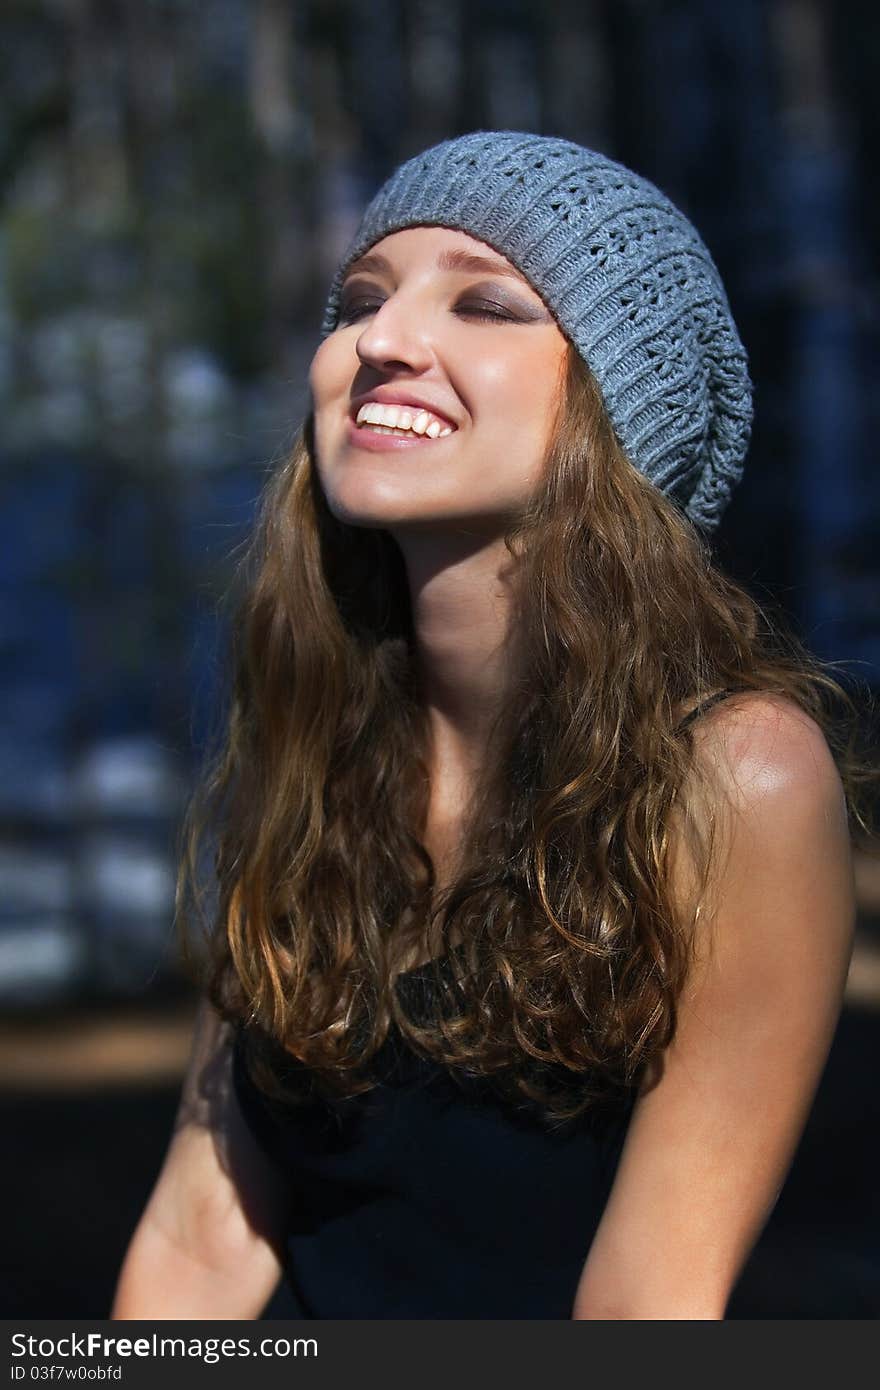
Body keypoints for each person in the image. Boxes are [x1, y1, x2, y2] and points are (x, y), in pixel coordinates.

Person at [112, 131, 860, 1320]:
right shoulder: (310, 758)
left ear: (618, 409)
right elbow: (199, 1246)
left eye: (487, 303)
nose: (381, 340)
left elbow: (647, 1300)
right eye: (360, 301)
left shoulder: (736, 778)